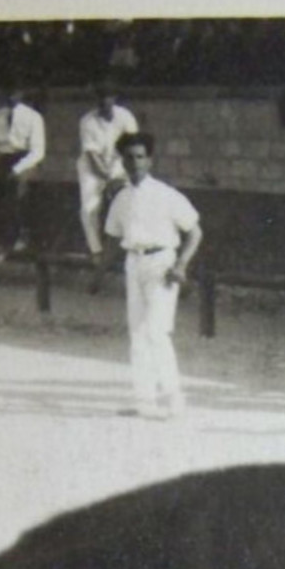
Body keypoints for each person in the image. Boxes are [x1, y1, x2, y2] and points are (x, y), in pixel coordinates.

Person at [103, 131, 203, 420]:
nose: (135, 163)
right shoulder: (121, 198)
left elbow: (195, 232)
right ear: (122, 161)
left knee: (157, 332)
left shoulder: (165, 194)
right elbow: (112, 238)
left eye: (140, 157)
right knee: (137, 333)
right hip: (134, 263)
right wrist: (98, 274)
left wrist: (181, 265)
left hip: (162, 263)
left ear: (150, 160)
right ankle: (144, 399)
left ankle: (174, 398)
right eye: (129, 158)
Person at [76, 82, 138, 287]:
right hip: (91, 168)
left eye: (109, 97)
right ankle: (96, 251)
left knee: (130, 201)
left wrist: (121, 176)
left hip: (119, 164)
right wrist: (107, 178)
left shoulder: (125, 117)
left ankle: (130, 247)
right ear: (97, 100)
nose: (105, 102)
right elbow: (92, 156)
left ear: (114, 98)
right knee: (89, 208)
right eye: (101, 98)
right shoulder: (87, 121)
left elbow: (131, 147)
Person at [0, 86, 46, 260]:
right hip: (3, 160)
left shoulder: (33, 117)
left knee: (18, 189)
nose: (11, 96)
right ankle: (4, 242)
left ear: (21, 93)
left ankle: (22, 237)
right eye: (8, 93)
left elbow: (38, 152)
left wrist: (17, 169)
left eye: (15, 92)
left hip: (25, 160)